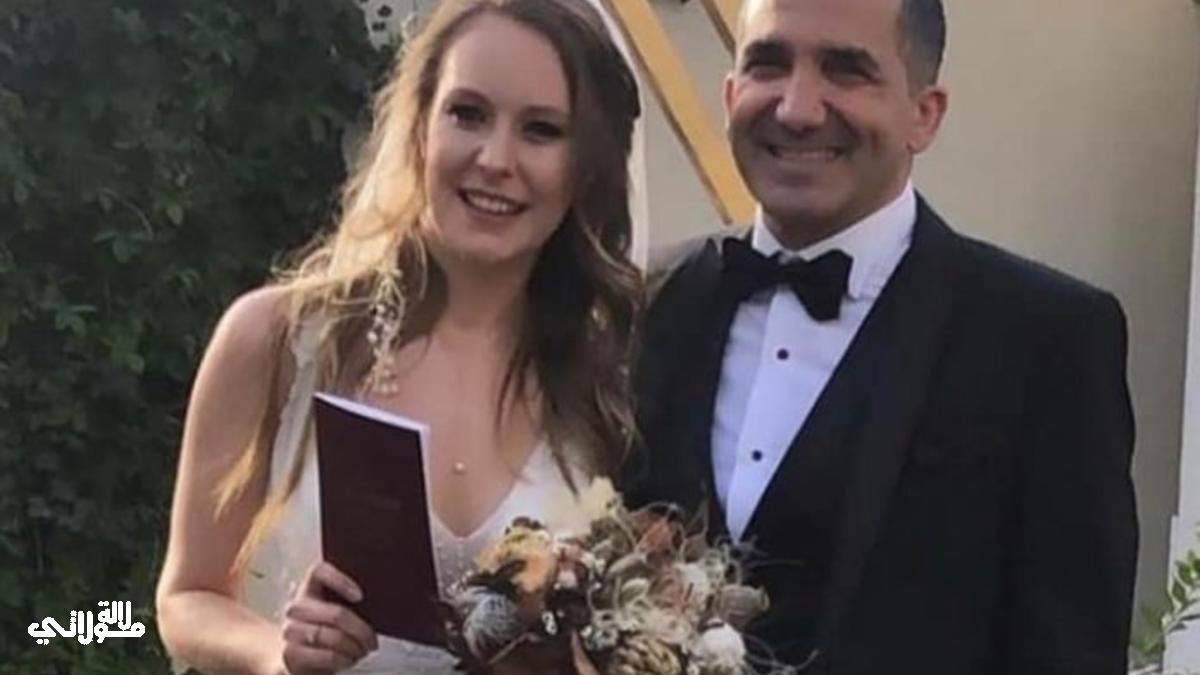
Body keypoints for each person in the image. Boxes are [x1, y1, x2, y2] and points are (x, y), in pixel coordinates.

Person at [628, 0, 1138, 673]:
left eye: (845, 70)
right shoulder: (642, 302)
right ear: (729, 95)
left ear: (924, 114)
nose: (797, 108)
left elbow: (1069, 652)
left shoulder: (1045, 341)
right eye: (768, 65)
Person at [155, 0, 642, 672]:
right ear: (419, 126)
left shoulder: (606, 384)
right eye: (467, 113)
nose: (495, 159)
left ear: (585, 164)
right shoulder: (281, 340)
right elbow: (187, 597)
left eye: (541, 130)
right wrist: (278, 653)